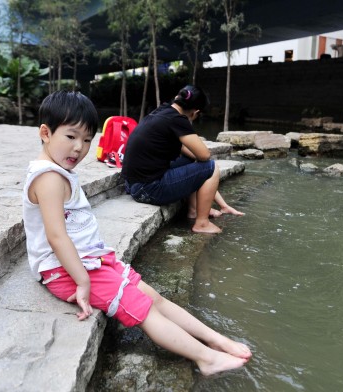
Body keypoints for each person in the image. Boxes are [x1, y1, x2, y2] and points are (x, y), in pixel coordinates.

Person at [22, 90, 252, 376]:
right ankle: (206, 358)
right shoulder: (48, 178)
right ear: (46, 133)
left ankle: (215, 339)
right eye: (71, 137)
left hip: (91, 260)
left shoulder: (57, 171)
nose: (79, 148)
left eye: (86, 140)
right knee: (142, 308)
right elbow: (56, 236)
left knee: (153, 296)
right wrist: (82, 281)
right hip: (66, 270)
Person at [122, 85, 243, 234]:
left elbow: (195, 157)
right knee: (212, 167)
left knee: (193, 162)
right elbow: (205, 156)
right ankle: (202, 224)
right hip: (148, 189)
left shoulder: (162, 111)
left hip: (134, 184)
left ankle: (194, 210)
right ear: (195, 112)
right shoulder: (177, 120)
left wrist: (222, 204)